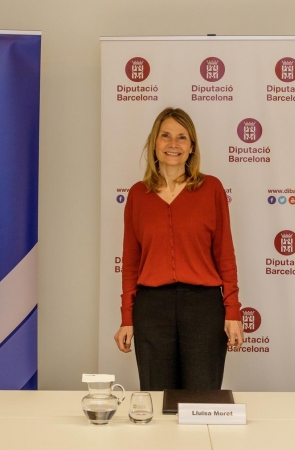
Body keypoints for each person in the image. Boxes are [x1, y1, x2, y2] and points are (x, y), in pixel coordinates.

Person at [114, 107, 244, 390]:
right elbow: (131, 263)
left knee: (202, 398)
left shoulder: (211, 189)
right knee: (157, 400)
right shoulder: (138, 195)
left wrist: (232, 311)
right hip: (152, 308)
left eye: (182, 137)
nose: (173, 144)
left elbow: (225, 254)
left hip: (203, 308)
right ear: (154, 143)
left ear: (191, 147)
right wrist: (127, 317)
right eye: (165, 136)